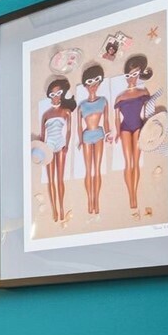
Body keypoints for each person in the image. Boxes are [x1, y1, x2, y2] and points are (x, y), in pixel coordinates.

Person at [114, 54, 155, 218]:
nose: (132, 78)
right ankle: (130, 193)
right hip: (124, 128)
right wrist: (117, 133)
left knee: (136, 162)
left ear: (139, 74)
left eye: (135, 74)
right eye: (129, 75)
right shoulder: (120, 97)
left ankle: (134, 195)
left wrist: (150, 127)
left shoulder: (143, 92)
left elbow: (148, 111)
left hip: (138, 126)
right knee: (128, 161)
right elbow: (117, 118)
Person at [76, 63, 114, 220]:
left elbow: (106, 121)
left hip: (98, 134)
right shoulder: (81, 106)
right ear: (85, 85)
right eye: (90, 83)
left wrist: (108, 134)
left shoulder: (103, 101)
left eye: (96, 83)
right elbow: (78, 126)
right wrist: (79, 140)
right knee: (88, 169)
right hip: (86, 136)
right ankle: (89, 201)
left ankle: (96, 201)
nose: (93, 86)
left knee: (97, 169)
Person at [38, 77, 77, 226]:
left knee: (59, 178)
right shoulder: (45, 115)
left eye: (58, 93)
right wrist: (41, 151)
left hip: (60, 144)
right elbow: (42, 136)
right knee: (51, 179)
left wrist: (66, 145)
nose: (55, 97)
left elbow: (69, 131)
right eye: (52, 94)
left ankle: (61, 207)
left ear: (62, 94)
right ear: (49, 96)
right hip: (48, 145)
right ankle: (54, 208)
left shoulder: (66, 112)